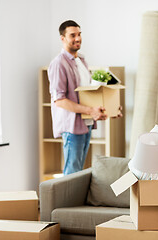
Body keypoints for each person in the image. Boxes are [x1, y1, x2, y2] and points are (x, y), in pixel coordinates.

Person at [48, 20, 108, 175]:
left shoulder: (81, 61)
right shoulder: (59, 64)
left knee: (79, 172)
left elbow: (87, 93)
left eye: (79, 34)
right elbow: (59, 100)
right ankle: (67, 200)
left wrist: (104, 109)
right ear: (63, 38)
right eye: (72, 35)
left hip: (85, 123)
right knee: (72, 172)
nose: (77, 38)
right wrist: (90, 110)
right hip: (71, 127)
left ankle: (75, 200)